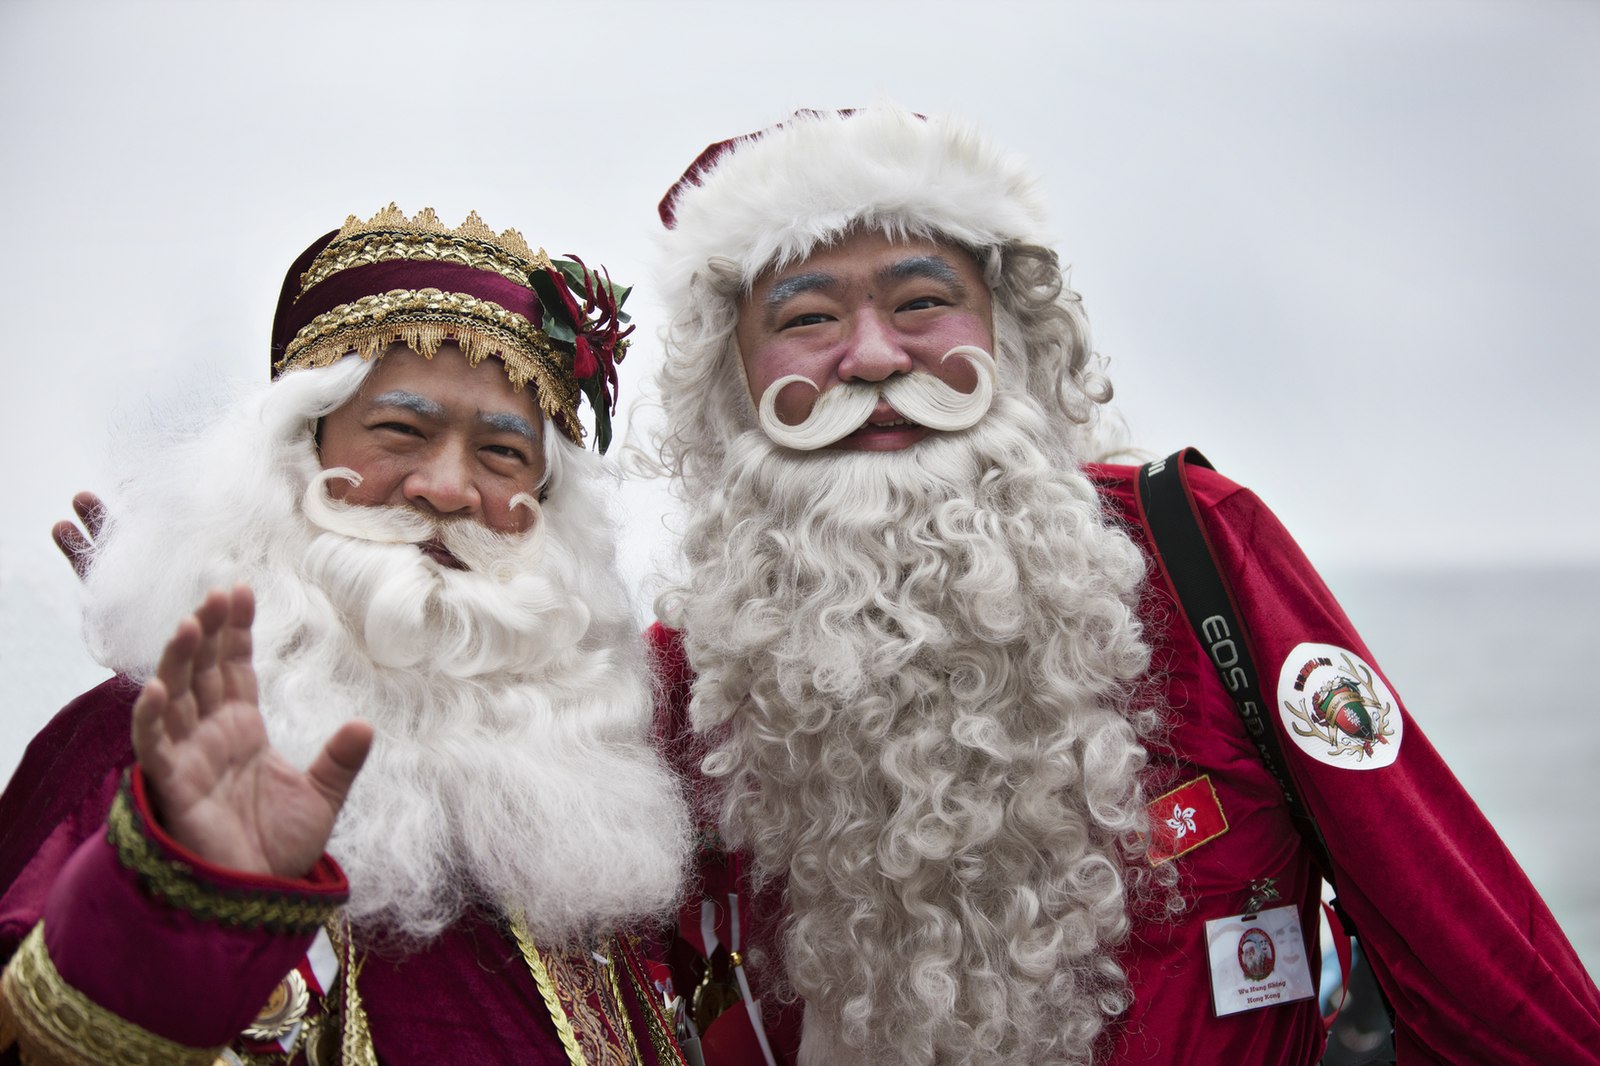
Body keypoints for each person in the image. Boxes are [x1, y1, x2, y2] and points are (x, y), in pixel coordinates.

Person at [645, 108, 1600, 1065]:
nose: (875, 357)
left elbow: (1469, 948)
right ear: (732, 376)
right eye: (807, 318)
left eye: (921, 302)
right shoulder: (695, 676)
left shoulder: (1200, 551)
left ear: (1009, 332)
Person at [0, 205, 694, 1064]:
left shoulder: (588, 811)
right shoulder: (138, 745)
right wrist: (178, 903)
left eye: (502, 453)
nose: (446, 487)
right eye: (401, 431)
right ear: (294, 455)